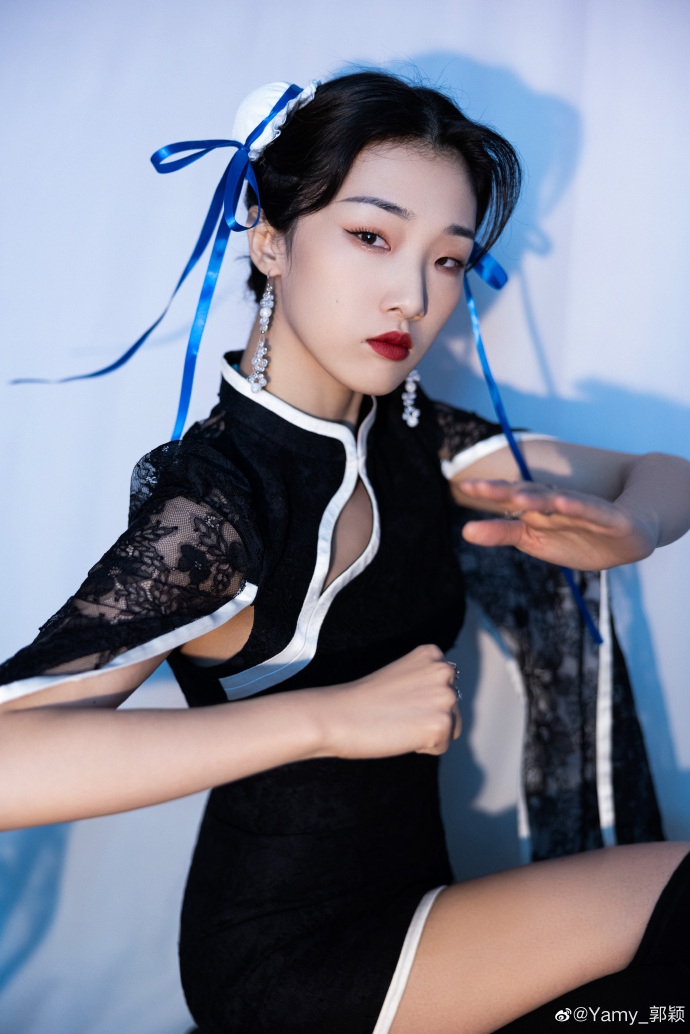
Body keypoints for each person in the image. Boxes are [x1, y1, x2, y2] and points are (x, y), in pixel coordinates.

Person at [1, 71, 690, 1034]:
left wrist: (639, 526)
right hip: (290, 962)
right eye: (372, 236)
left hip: (420, 906)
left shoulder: (412, 434)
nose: (412, 295)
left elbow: (664, 470)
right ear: (270, 239)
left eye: (448, 260)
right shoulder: (224, 497)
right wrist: (328, 719)